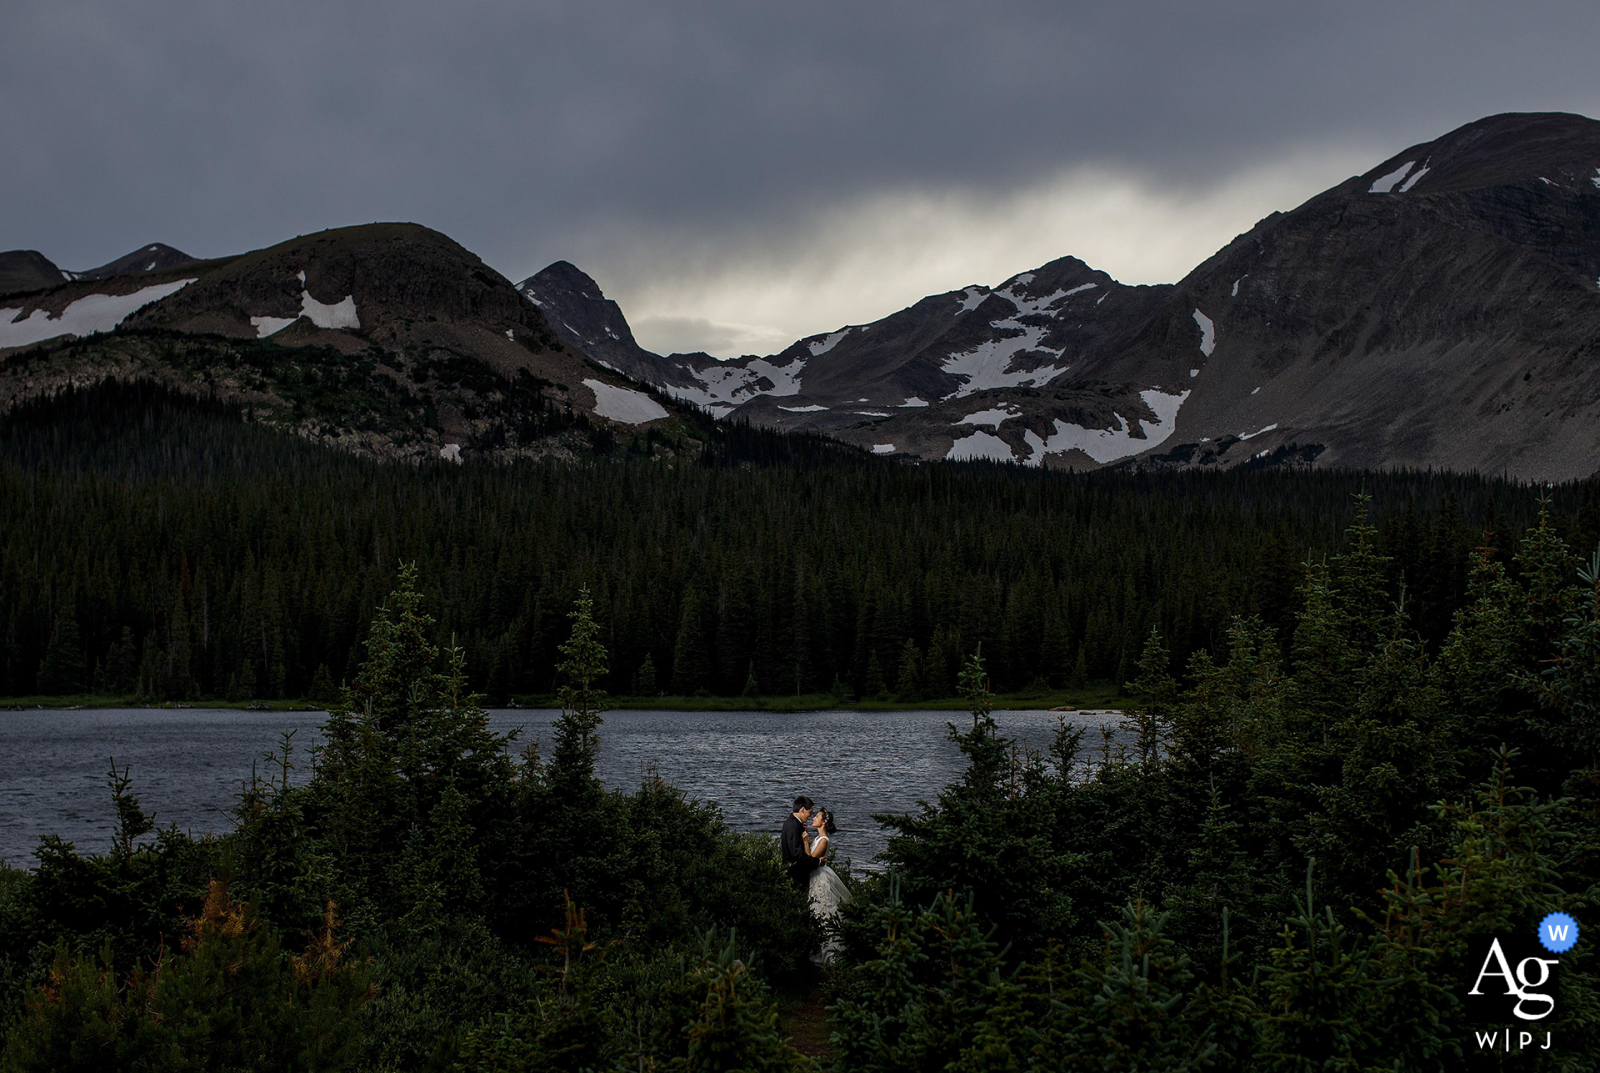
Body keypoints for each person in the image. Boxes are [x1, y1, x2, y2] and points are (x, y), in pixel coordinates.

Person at [805, 807, 851, 962]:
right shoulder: (818, 839)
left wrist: (805, 841)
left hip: (819, 879)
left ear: (824, 822)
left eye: (816, 817)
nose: (813, 818)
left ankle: (829, 957)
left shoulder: (823, 840)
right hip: (815, 878)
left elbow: (811, 858)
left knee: (823, 911)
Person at [781, 795, 818, 891]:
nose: (810, 815)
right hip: (795, 876)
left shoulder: (792, 822)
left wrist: (809, 842)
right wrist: (816, 861)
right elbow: (796, 853)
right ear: (802, 810)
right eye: (809, 812)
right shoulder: (793, 826)